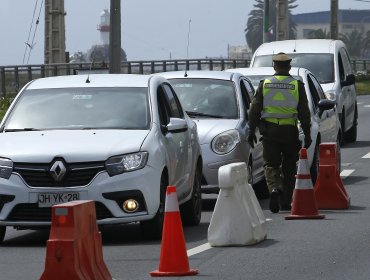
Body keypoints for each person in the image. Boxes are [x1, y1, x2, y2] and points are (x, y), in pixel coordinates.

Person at [247, 52, 312, 213]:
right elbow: (304, 112)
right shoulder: (297, 85)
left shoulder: (265, 84)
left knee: (270, 164)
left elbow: (254, 109)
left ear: (274, 66)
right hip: (290, 131)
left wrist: (250, 130)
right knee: (289, 166)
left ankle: (274, 189)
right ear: (289, 67)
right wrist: (308, 133)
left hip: (270, 132)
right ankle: (285, 202)